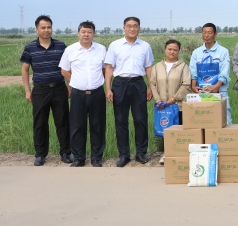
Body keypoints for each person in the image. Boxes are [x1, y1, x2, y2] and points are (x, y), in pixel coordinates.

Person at [20, 15, 72, 166]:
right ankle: (40, 154)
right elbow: (25, 70)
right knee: (40, 123)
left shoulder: (61, 46)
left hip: (59, 88)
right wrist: (27, 90)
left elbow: (67, 67)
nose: (46, 30)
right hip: (40, 90)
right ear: (36, 29)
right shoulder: (30, 47)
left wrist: (69, 86)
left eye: (49, 27)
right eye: (43, 27)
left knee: (62, 121)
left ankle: (65, 153)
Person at [105, 17, 154, 167]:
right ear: (124, 28)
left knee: (140, 119)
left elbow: (148, 68)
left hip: (138, 83)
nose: (132, 29)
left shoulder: (145, 46)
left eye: (135, 26)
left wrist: (151, 86)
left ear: (139, 28)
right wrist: (108, 88)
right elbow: (109, 67)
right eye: (129, 26)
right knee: (121, 120)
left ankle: (141, 153)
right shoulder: (115, 45)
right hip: (120, 84)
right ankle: (124, 155)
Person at [59, 21, 107, 167]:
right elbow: (64, 70)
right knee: (77, 126)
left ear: (93, 34)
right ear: (78, 33)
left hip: (97, 93)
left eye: (89, 32)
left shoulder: (101, 49)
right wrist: (75, 81)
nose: (86, 34)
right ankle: (79, 158)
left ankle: (96, 158)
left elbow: (105, 69)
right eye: (83, 32)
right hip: (78, 94)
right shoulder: (70, 50)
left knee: (97, 126)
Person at [149, 39, 192, 164]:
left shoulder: (183, 67)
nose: (172, 52)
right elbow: (152, 83)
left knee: (179, 131)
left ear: (178, 51)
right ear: (165, 50)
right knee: (165, 130)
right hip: (162, 106)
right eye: (169, 49)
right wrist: (158, 100)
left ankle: (181, 156)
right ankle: (167, 154)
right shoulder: (157, 67)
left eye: (175, 50)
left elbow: (186, 84)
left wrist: (174, 98)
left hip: (177, 105)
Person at [189, 23, 232, 122]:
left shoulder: (223, 51)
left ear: (215, 34)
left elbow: (225, 71)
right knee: (204, 120)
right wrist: (193, 86)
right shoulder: (196, 52)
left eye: (209, 33)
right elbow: (193, 70)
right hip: (201, 91)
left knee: (225, 120)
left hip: (220, 91)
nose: (206, 35)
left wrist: (217, 86)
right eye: (204, 32)